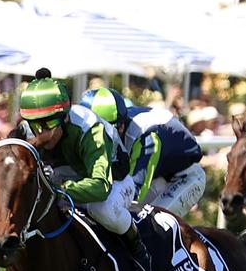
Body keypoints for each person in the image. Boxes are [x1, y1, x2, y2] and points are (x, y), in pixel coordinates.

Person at [18, 69, 149, 271]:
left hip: (113, 181)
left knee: (103, 210)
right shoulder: (25, 131)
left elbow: (100, 186)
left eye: (50, 124)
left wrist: (57, 192)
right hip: (65, 179)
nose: (43, 133)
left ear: (65, 117)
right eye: (36, 125)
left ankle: (138, 249)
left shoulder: (91, 129)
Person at [80, 88, 206, 219]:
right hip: (156, 177)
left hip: (183, 178)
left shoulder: (146, 136)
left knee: (149, 224)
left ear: (121, 126)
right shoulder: (117, 126)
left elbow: (134, 193)